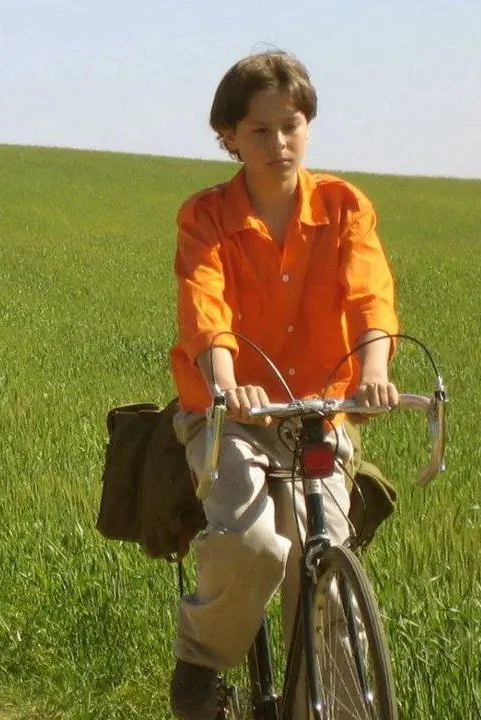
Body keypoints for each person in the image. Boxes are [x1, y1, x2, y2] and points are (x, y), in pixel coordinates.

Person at [166, 50, 399, 719]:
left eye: (291, 125)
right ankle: (202, 661)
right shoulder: (206, 217)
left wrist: (375, 372)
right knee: (255, 545)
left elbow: (370, 296)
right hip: (229, 416)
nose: (279, 143)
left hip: (318, 415)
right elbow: (203, 306)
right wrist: (226, 382)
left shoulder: (344, 206)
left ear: (308, 126)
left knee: (320, 560)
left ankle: (328, 706)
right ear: (230, 136)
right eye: (260, 130)